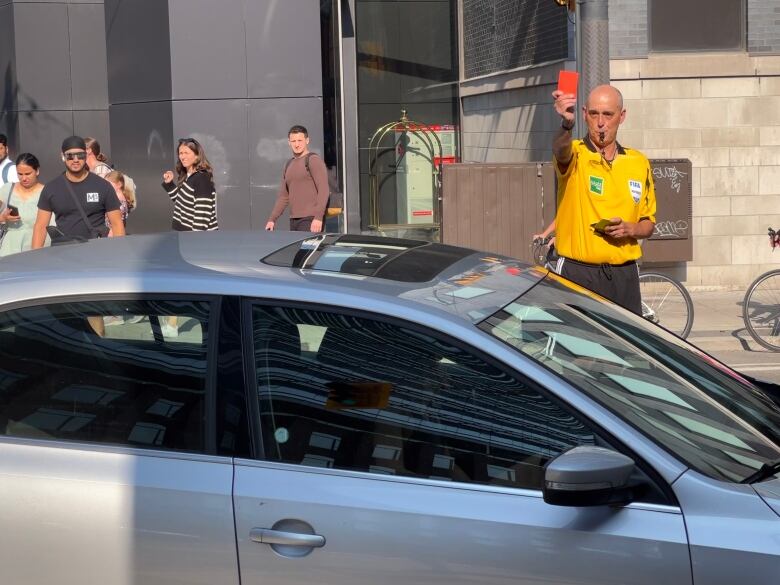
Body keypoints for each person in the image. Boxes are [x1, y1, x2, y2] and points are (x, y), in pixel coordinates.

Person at [547, 83, 656, 315]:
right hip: (578, 273)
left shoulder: (638, 162)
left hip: (624, 275)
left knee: (628, 347)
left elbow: (649, 224)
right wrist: (566, 124)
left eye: (608, 114)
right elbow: (560, 150)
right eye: (594, 113)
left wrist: (630, 229)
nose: (600, 122)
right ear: (584, 114)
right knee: (578, 348)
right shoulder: (577, 153)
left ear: (622, 116)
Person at [31, 136, 125, 249]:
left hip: (96, 252)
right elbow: (40, 226)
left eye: (80, 155)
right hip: (63, 252)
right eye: (70, 156)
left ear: (86, 155)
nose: (75, 159)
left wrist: (119, 252)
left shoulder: (103, 186)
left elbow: (117, 224)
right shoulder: (51, 188)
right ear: (62, 156)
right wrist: (34, 258)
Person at [265, 125, 329, 233]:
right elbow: (284, 196)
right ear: (289, 142)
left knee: (308, 250)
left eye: (300, 140)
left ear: (307, 140)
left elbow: (324, 190)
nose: (297, 144)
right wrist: (272, 219)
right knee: (297, 250)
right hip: (294, 220)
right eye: (293, 141)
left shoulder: (313, 160)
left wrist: (318, 217)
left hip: (311, 219)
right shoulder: (288, 164)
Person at [162, 137, 218, 231]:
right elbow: (181, 202)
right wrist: (169, 184)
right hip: (185, 237)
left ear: (197, 156)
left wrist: (193, 241)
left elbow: (202, 215)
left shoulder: (202, 178)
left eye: (186, 153)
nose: (182, 157)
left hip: (198, 240)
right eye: (180, 153)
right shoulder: (188, 176)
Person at [0, 153, 48, 255]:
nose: (24, 178)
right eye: (20, 174)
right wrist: (2, 218)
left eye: (28, 174)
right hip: (9, 250)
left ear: (37, 171)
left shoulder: (47, 192)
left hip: (36, 248)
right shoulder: (7, 189)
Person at [105, 170, 136, 235]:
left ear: (119, 184)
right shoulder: (117, 199)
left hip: (113, 234)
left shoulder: (119, 202)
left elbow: (116, 223)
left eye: (109, 185)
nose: (106, 187)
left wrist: (111, 233)